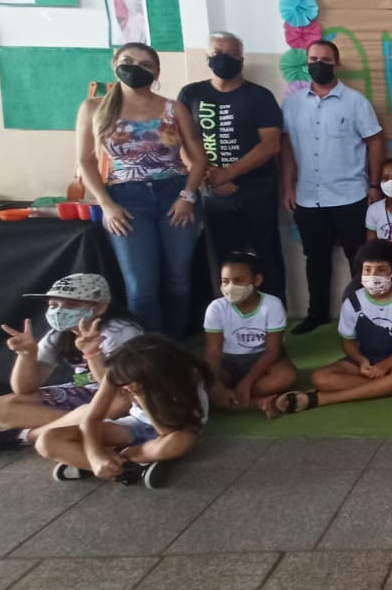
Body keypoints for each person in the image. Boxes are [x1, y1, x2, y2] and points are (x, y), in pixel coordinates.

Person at [75, 43, 207, 337]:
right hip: (125, 200)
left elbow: (199, 159)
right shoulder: (94, 108)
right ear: (115, 65)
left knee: (179, 281)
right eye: (128, 61)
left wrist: (187, 196)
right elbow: (85, 161)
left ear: (157, 71)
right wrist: (106, 205)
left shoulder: (174, 108)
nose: (137, 68)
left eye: (146, 64)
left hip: (175, 196)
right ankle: (149, 356)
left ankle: (174, 347)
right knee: (140, 286)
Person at [280, 39, 386, 335]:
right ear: (306, 62)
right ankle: (317, 314)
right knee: (315, 258)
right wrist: (288, 186)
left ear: (336, 64)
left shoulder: (355, 102)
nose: (319, 64)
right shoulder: (292, 103)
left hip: (350, 194)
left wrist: (374, 184)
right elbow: (286, 146)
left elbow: (375, 141)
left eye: (326, 60)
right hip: (308, 196)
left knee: (360, 259)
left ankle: (363, 314)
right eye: (314, 59)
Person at [177, 31, 287, 299]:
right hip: (213, 196)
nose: (223, 59)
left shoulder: (259, 96)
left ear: (241, 58)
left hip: (258, 192)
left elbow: (270, 145)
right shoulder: (190, 94)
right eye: (216, 54)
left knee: (268, 256)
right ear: (207, 57)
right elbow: (182, 142)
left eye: (230, 54)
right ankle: (230, 322)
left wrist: (225, 175)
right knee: (224, 262)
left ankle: (274, 323)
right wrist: (206, 177)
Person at [0, 274, 141, 455]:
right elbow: (25, 388)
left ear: (99, 308)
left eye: (72, 305)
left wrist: (92, 354)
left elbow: (116, 388)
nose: (59, 312)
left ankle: (26, 436)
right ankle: (86, 429)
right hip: (85, 391)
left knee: (120, 401)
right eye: (53, 305)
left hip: (121, 395)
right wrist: (26, 355)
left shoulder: (120, 332)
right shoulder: (58, 335)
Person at [35, 334, 210, 488]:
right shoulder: (119, 372)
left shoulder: (186, 378)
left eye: (130, 382)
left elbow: (166, 430)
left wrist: (140, 394)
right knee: (47, 441)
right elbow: (92, 418)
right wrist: (95, 456)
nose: (123, 384)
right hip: (134, 425)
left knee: (180, 443)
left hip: (171, 429)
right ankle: (126, 468)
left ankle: (120, 460)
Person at [274, 240, 392, 414]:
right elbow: (347, 342)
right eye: (367, 269)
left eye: (381, 270)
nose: (373, 275)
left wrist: (388, 363)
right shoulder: (353, 300)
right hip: (365, 358)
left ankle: (320, 399)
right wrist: (361, 361)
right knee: (320, 378)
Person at [203, 253, 296, 417]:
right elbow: (213, 353)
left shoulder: (272, 305)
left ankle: (230, 400)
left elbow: (272, 351)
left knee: (286, 376)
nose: (231, 287)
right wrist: (217, 385)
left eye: (239, 280)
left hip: (262, 361)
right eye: (225, 281)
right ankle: (261, 403)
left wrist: (246, 383)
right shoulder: (216, 308)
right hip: (229, 362)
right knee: (202, 383)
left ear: (257, 280)